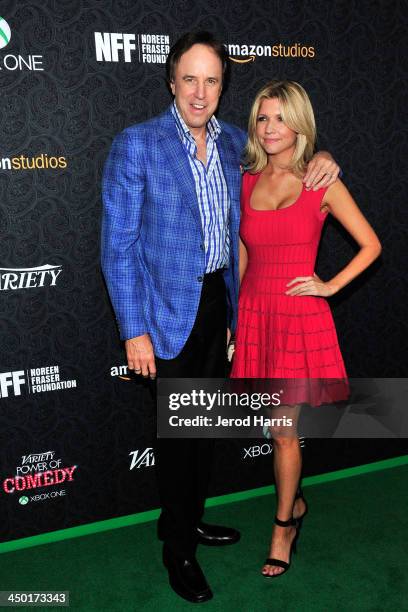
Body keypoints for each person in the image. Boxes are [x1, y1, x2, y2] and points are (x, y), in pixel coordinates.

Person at [101, 32, 340, 603]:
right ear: (171, 81)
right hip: (164, 311)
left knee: (203, 428)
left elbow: (289, 163)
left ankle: (187, 519)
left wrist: (325, 158)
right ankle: (177, 547)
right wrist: (133, 330)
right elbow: (117, 245)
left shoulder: (238, 142)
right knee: (176, 436)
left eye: (212, 80)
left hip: (223, 305)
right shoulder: (138, 144)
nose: (201, 91)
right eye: (190, 78)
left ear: (222, 86)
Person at [230, 80, 382, 577]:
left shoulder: (321, 180)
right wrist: (236, 319)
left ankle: (283, 526)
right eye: (262, 118)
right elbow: (243, 253)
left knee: (283, 430)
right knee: (278, 431)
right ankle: (293, 506)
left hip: (297, 315)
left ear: (300, 123)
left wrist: (330, 286)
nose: (271, 128)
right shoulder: (246, 178)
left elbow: (370, 245)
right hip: (257, 312)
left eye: (281, 118)